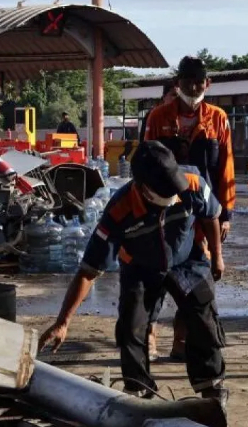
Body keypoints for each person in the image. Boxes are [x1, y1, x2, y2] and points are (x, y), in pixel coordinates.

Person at [39, 141, 228, 404]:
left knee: (204, 320)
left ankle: (212, 390)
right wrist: (63, 322)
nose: (172, 198)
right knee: (132, 327)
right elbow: (88, 271)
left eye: (175, 191)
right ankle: (139, 391)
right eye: (165, 195)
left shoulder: (192, 182)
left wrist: (217, 256)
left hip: (187, 259)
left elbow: (210, 216)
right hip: (141, 266)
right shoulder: (119, 211)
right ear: (143, 188)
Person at [144, 56, 235, 361]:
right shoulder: (157, 117)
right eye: (188, 81)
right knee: (156, 273)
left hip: (202, 212)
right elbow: (144, 164)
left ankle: (181, 341)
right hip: (164, 210)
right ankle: (150, 337)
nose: (194, 86)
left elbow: (225, 169)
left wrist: (225, 214)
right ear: (177, 83)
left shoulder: (218, 118)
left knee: (195, 276)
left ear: (207, 83)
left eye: (199, 81)